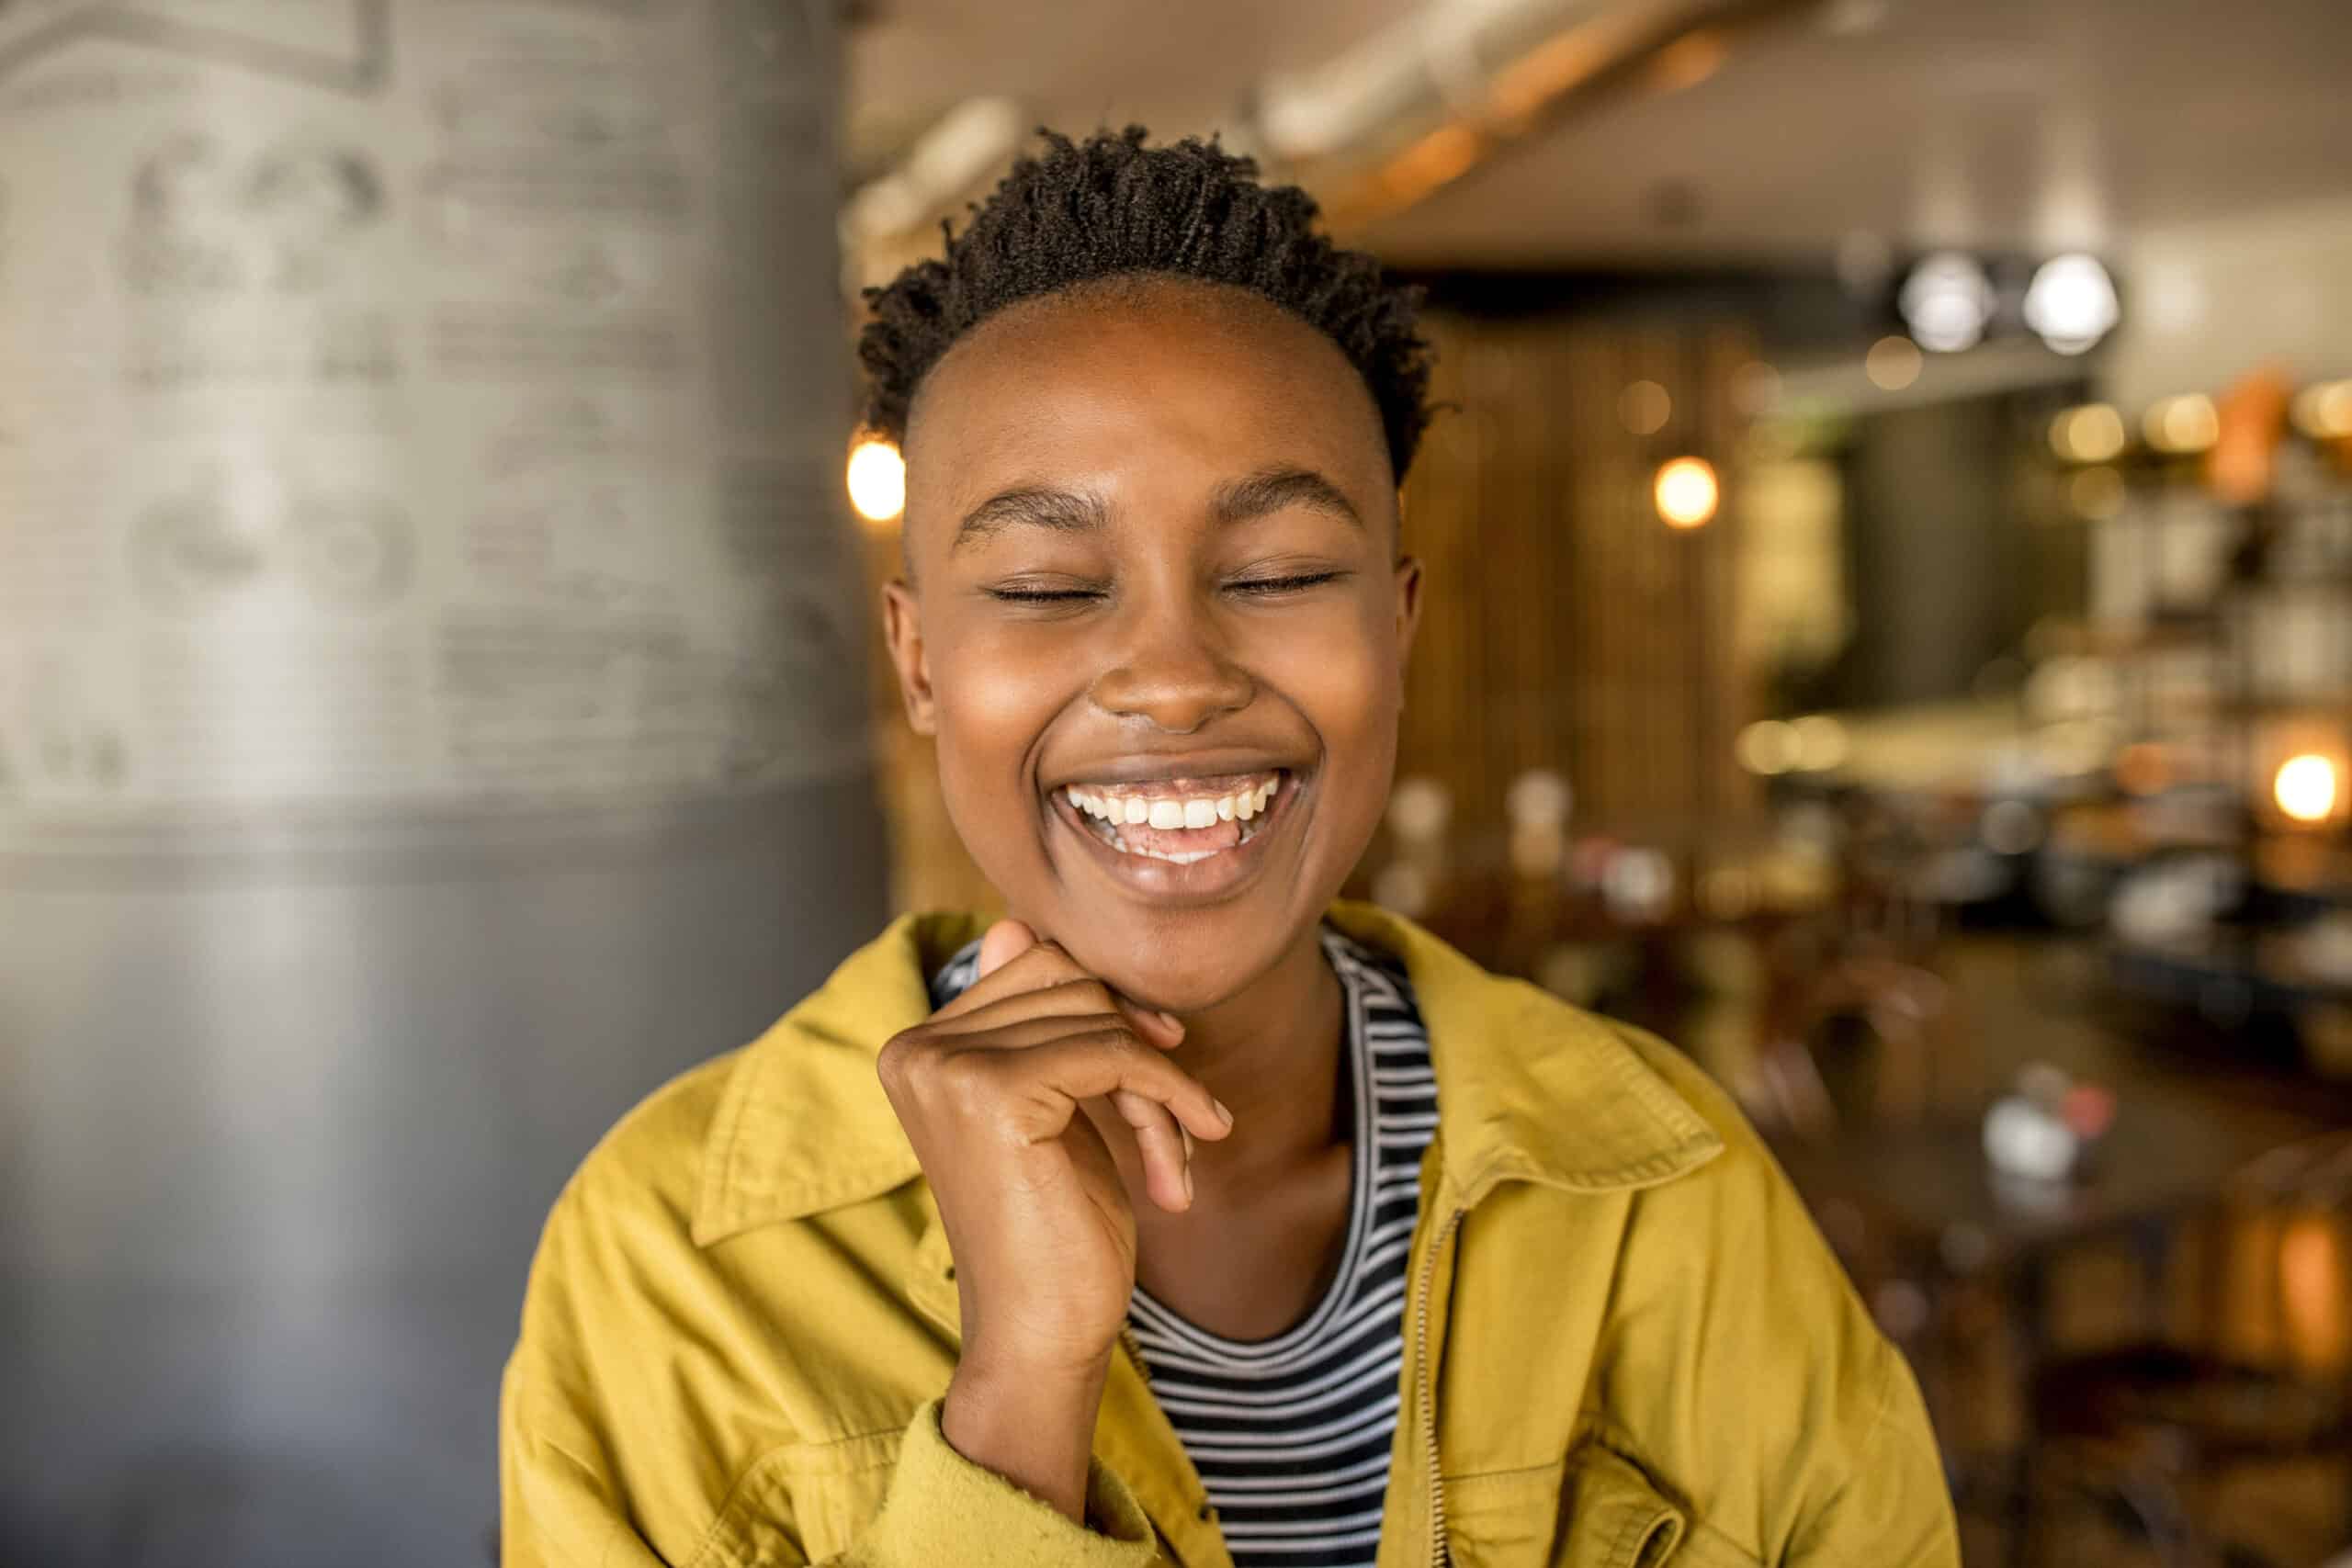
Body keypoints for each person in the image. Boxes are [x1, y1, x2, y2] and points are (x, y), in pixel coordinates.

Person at [499, 127, 1958, 1568]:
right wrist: (1021, 1389)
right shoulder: (671, 1261)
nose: (1174, 674)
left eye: (1277, 573)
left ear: (1398, 630)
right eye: (1048, 583)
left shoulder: (1665, 1194)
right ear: (921, 661)